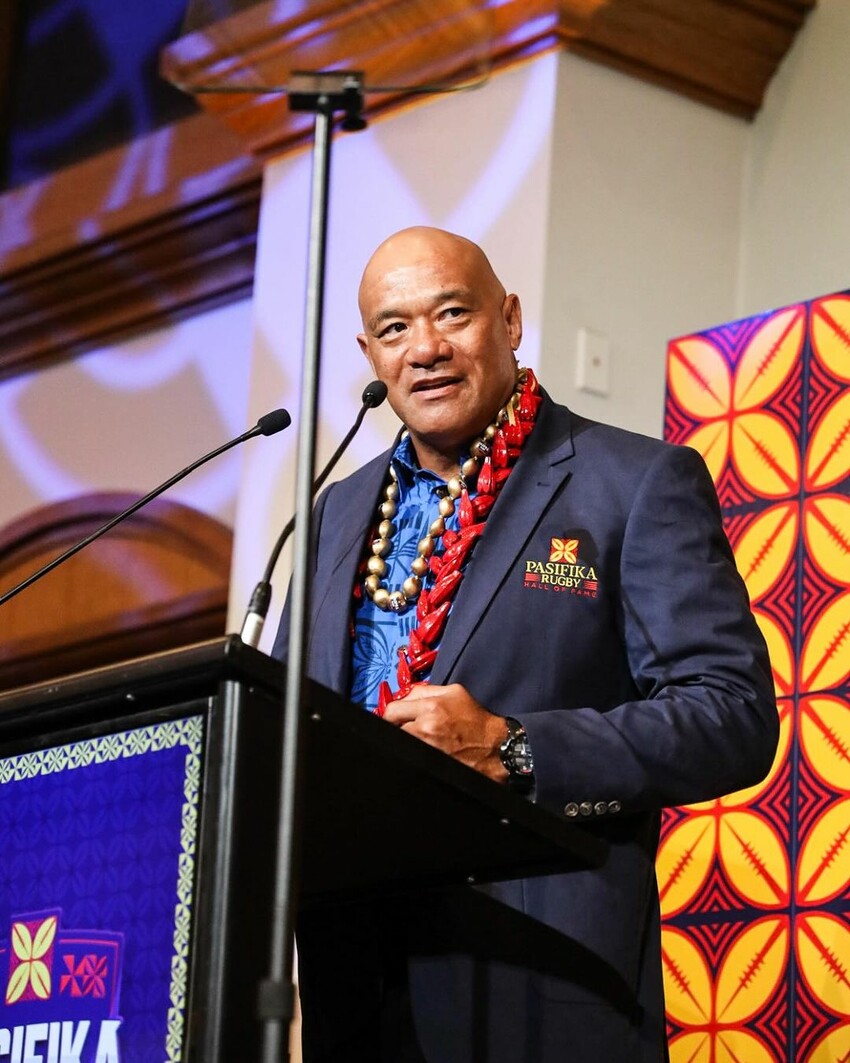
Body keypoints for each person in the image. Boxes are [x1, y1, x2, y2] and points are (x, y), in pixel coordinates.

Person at [272, 227, 777, 1062]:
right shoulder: (329, 516)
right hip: (352, 989)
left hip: (538, 981)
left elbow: (732, 715)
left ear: (508, 318)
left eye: (453, 313)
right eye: (395, 329)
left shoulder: (633, 483)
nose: (426, 348)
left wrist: (518, 744)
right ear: (370, 354)